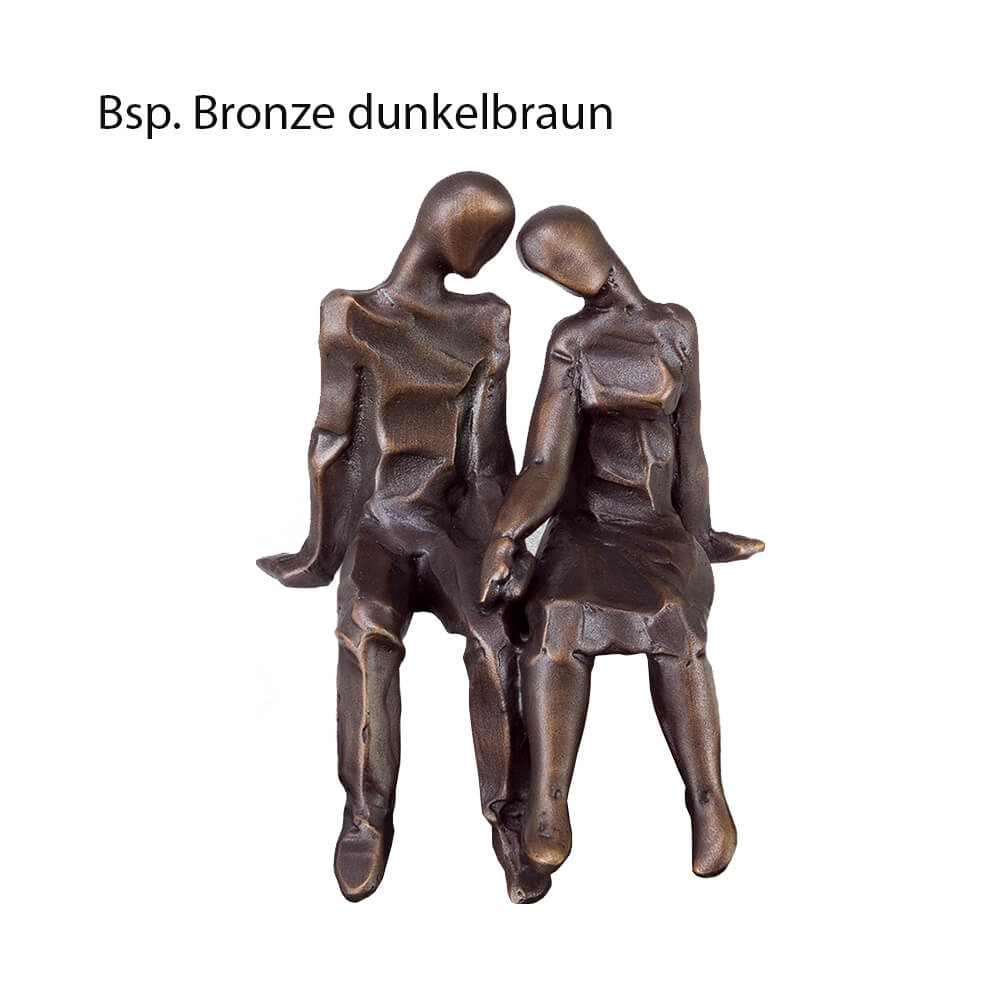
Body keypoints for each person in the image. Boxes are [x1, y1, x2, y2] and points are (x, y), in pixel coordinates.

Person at [258, 173, 547, 903]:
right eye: (487, 235)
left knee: (498, 634)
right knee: (365, 629)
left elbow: (488, 457)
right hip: (382, 526)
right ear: (449, 227)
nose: (491, 253)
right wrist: (320, 552)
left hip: (454, 524)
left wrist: (505, 544)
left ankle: (512, 819)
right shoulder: (350, 316)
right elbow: (332, 445)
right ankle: (366, 813)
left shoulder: (487, 320)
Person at [479, 206, 763, 879]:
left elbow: (690, 445)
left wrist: (702, 533)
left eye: (562, 252)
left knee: (676, 622)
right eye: (548, 267)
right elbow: (544, 464)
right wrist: (507, 534)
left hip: (656, 527)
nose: (564, 271)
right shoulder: (571, 341)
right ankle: (550, 798)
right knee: (558, 615)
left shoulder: (675, 328)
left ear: (594, 243)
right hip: (586, 527)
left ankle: (707, 798)